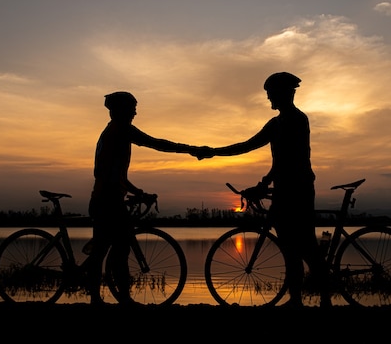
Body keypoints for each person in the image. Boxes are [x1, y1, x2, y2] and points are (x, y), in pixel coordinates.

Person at [196, 72, 331, 308]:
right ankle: (297, 299)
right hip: (285, 188)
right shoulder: (276, 123)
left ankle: (325, 299)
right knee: (290, 246)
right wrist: (215, 152)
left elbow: (292, 159)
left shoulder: (297, 120)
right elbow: (248, 146)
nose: (269, 98)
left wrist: (264, 183)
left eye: (271, 93)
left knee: (306, 245)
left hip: (297, 188)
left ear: (284, 93)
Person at [87, 91, 200, 306]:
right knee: (118, 248)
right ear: (119, 110)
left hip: (107, 197)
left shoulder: (112, 131)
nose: (135, 112)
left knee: (106, 249)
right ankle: (118, 299)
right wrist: (190, 149)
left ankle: (106, 298)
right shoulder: (120, 130)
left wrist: (137, 192)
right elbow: (156, 143)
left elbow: (116, 175)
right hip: (108, 199)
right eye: (132, 108)